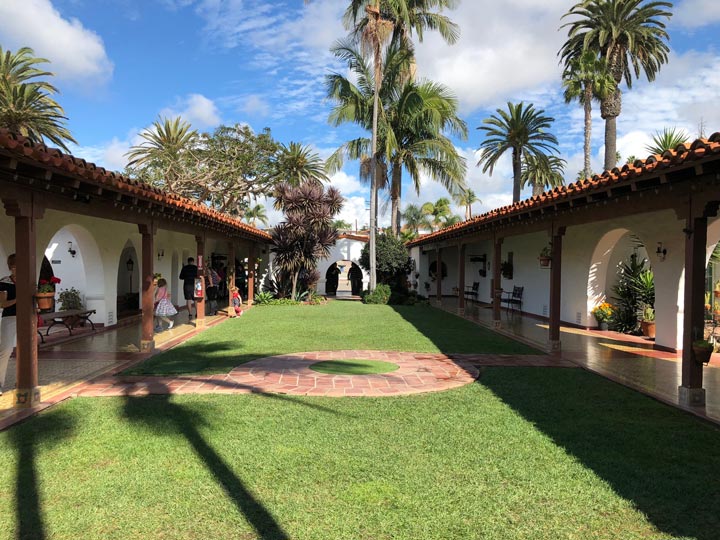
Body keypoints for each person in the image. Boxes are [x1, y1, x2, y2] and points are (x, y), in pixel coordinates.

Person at [0, 254, 18, 396]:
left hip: (26, 319)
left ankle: (23, 381)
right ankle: (0, 384)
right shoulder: (4, 282)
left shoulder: (28, 281)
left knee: (27, 351)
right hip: (10, 318)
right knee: (5, 350)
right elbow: (3, 304)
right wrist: (18, 299)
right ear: (12, 267)